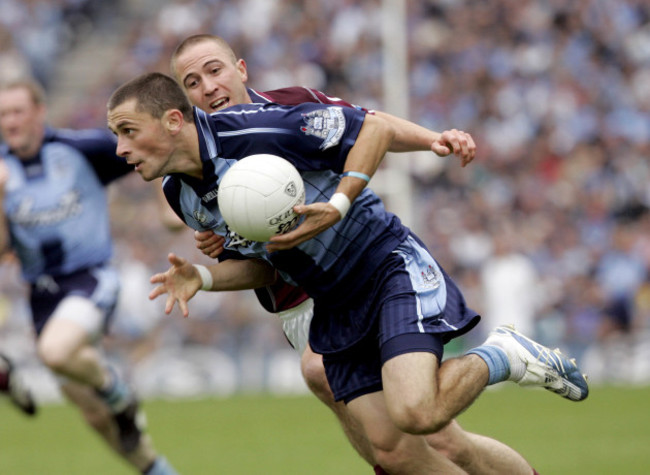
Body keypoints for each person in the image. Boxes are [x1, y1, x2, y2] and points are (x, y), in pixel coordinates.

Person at [107, 72, 589, 474]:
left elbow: (372, 128)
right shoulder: (180, 195)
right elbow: (266, 264)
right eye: (115, 135)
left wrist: (337, 204)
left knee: (417, 412)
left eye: (128, 131)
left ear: (173, 120)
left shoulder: (260, 130)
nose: (120, 149)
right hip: (334, 306)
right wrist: (205, 278)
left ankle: (504, 354)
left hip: (383, 268)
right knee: (394, 452)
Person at [0, 79, 177, 475]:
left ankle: (119, 393)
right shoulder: (2, 169)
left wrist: (169, 210)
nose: (9, 120)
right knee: (96, 417)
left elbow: (153, 152)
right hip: (41, 296)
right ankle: (159, 469)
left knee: (57, 351)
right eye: (3, 113)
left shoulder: (80, 149)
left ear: (39, 113)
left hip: (89, 278)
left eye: (17, 111)